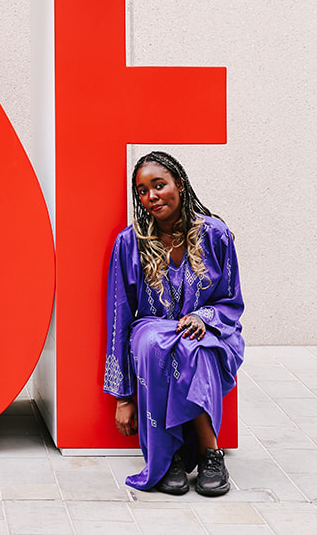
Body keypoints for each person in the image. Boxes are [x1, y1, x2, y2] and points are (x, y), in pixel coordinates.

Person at [105, 150, 244, 496]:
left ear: (179, 185)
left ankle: (207, 454)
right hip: (152, 329)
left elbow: (230, 301)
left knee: (193, 345)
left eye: (158, 185)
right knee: (161, 342)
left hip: (209, 329)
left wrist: (203, 316)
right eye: (141, 191)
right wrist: (123, 397)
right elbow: (119, 316)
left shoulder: (216, 235)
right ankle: (171, 458)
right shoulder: (129, 242)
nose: (150, 196)